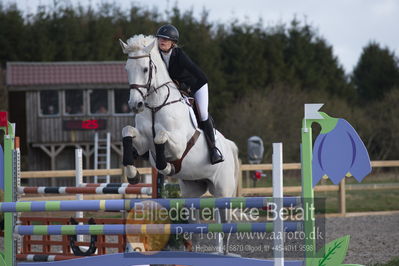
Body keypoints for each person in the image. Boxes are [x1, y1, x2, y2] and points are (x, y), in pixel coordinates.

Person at [156, 24, 224, 165]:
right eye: (160, 38)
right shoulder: (157, 55)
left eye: (165, 39)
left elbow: (199, 74)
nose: (161, 41)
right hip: (177, 89)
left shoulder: (179, 55)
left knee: (203, 114)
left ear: (173, 43)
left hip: (197, 86)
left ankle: (213, 150)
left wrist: (188, 89)